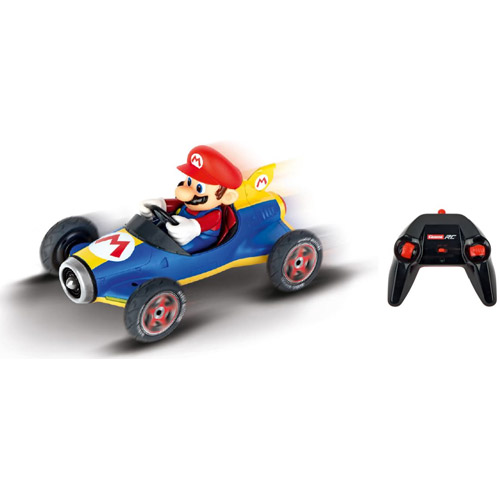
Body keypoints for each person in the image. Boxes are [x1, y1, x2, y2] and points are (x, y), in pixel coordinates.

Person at [139, 145, 242, 253]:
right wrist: (160, 204)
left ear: (227, 197)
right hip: (179, 231)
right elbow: (175, 203)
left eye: (199, 188)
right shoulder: (188, 203)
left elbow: (202, 224)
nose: (186, 191)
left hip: (201, 239)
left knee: (176, 249)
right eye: (189, 182)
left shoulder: (215, 214)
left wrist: (192, 227)